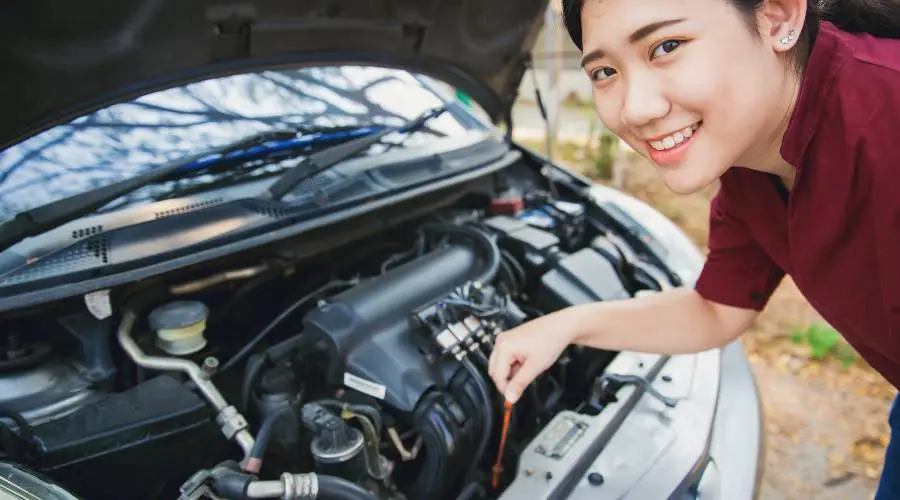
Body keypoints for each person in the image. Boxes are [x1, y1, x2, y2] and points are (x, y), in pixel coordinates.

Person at [487, 0, 900, 495]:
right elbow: (716, 311)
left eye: (666, 46)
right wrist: (565, 326)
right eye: (604, 71)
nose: (634, 108)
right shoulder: (749, 168)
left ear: (780, 18)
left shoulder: (887, 110)